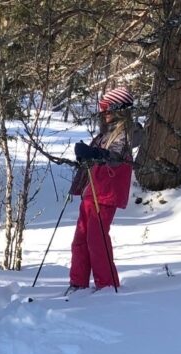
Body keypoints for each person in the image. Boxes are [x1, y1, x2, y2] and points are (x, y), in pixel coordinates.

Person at [68, 86, 144, 293]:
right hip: (92, 191)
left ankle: (107, 286)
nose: (105, 114)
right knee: (81, 239)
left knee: (97, 240)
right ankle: (78, 283)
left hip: (105, 193)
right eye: (103, 111)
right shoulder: (106, 133)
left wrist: (93, 153)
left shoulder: (126, 134)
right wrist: (86, 155)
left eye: (108, 110)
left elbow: (114, 157)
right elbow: (98, 157)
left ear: (120, 110)